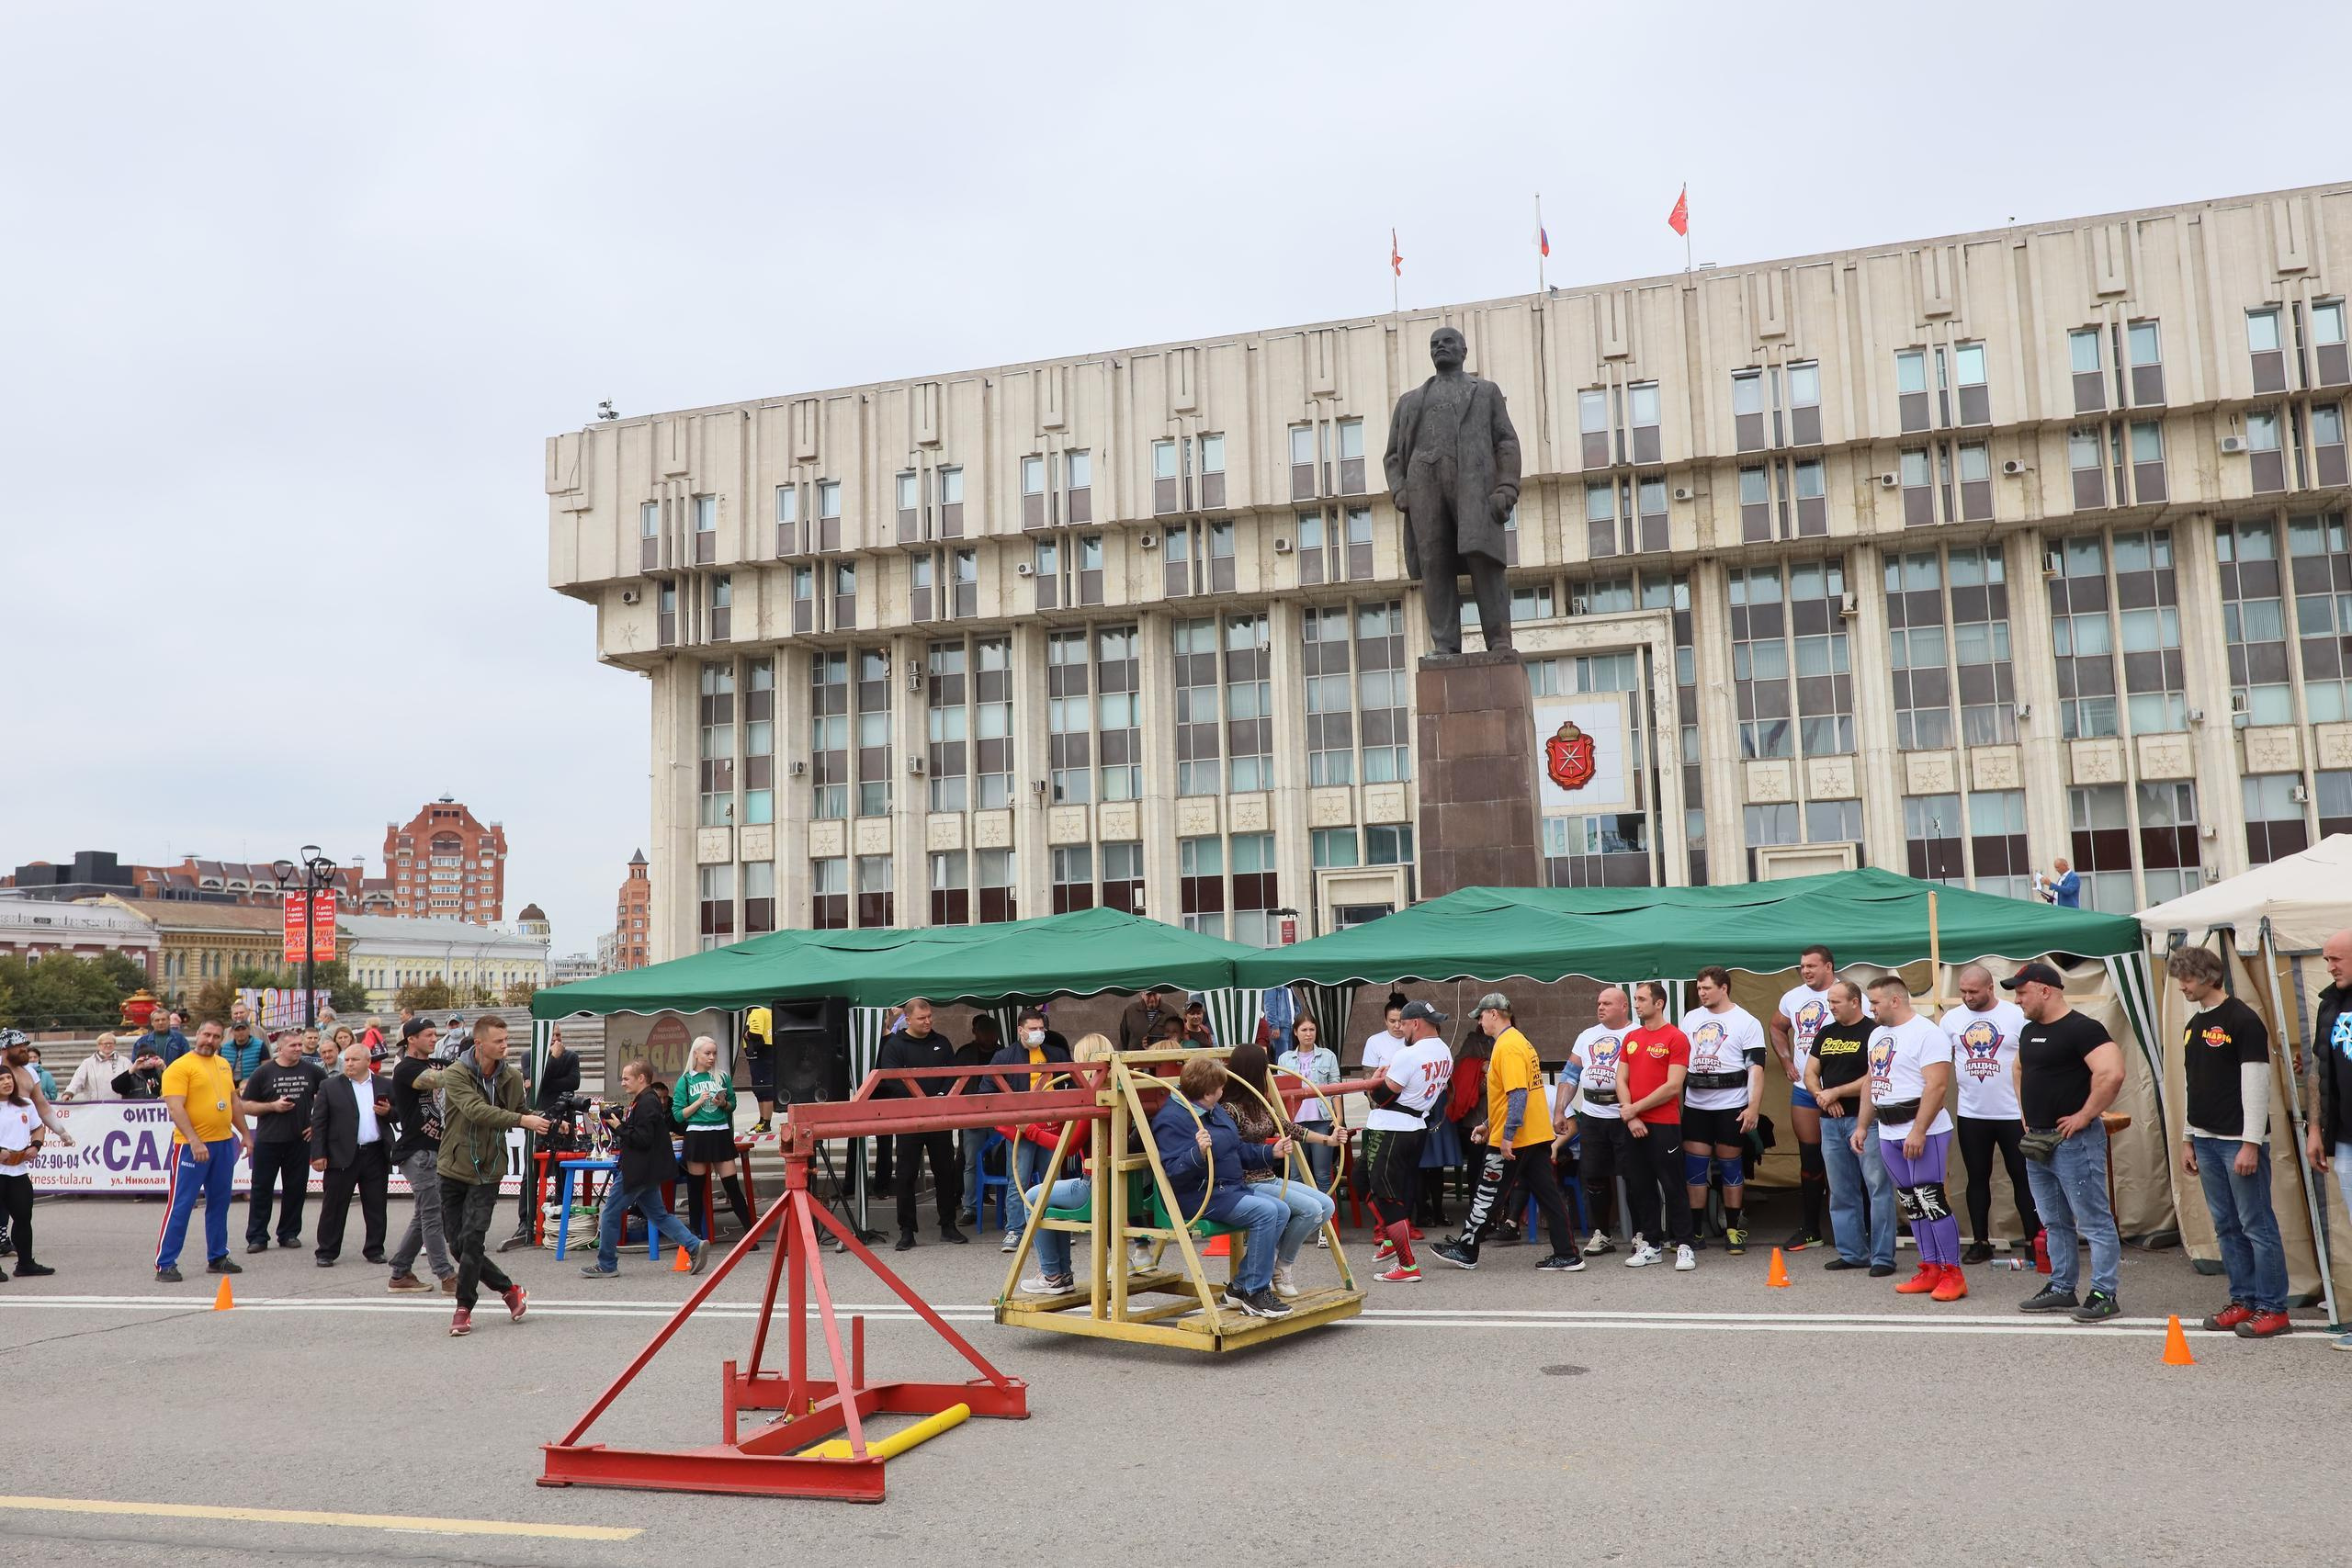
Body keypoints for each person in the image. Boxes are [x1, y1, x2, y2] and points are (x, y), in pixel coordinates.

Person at [2168, 946, 2290, 1338]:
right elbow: (2194, 1087)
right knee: (2226, 1227)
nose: (2182, 985)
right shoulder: (2193, 1024)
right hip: (2205, 1140)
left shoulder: (2243, 1019)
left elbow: (2257, 1085)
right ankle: (2244, 1301)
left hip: (2237, 1140)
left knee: (2257, 1224)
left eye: (2186, 978)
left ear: (2208, 976)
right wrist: (2188, 1137)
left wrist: (2251, 1142)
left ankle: (2274, 1308)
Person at [2006, 962, 2125, 1323]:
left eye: (2022, 992)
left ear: (2046, 990)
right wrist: (2025, 1113)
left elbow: (2113, 1072)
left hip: (2074, 1141)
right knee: (2054, 1220)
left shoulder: (2083, 1029)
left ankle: (2105, 1294)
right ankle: (2061, 1287)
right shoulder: (2029, 1032)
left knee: (2094, 1220)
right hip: (2038, 1140)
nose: (2017, 1000)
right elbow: (2019, 1069)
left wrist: (2086, 1115)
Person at [1434, 994, 1583, 1274]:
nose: (1479, 1022)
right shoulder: (1518, 1041)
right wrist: (1490, 1124)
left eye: (1481, 1016)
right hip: (1533, 1134)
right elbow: (1508, 1095)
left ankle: (1467, 1249)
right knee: (1548, 1195)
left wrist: (1506, 1135)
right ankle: (1567, 1254)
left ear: (1494, 1013)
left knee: (1486, 1192)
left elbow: (1517, 1095)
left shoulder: (1508, 1046)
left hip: (1517, 1136)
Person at [424, 1014, 546, 1336]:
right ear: (480, 1043)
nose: (505, 1046)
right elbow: (476, 1111)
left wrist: (547, 1121)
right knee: (459, 1246)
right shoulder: (456, 1073)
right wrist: (522, 1121)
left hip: (489, 1170)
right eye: (499, 1041)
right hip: (453, 1167)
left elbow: (521, 1110)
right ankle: (509, 1289)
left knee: (473, 1240)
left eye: (506, 1040)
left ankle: (463, 1308)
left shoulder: (512, 1077)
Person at [1148, 1055, 1293, 1319]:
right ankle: (1255, 1293)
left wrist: (1271, 1153)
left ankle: (1241, 1286)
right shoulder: (1172, 1120)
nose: (1223, 1091)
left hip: (1228, 1189)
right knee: (1267, 1212)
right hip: (1200, 1196)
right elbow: (1173, 1172)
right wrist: (1198, 1153)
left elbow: (1237, 1149)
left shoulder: (1214, 1110)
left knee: (1281, 1210)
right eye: (1220, 1088)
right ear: (1208, 1093)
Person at [1857, 976, 1964, 1301]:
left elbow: (1937, 1086)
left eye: (1874, 1002)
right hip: (1887, 1128)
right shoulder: (1876, 1034)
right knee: (1911, 1202)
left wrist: (1918, 1130)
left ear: (1894, 1000)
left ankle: (1952, 1272)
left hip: (1922, 1128)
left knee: (1931, 1199)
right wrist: (1863, 1125)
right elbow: (1871, 1081)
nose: (1870, 1008)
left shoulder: (1927, 1033)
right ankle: (1930, 1267)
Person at [1219, 1041, 1340, 1297]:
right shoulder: (1229, 1109)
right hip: (1246, 1182)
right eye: (1265, 1068)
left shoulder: (1259, 1102)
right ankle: (1279, 1267)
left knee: (1326, 1205)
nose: (1269, 1074)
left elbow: (1287, 1126)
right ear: (1253, 1071)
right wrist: (1269, 1152)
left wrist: (1327, 1139)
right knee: (1309, 1209)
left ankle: (1279, 1264)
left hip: (1269, 1178)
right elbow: (1229, 1153)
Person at [1941, 964, 2040, 1264]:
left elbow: (2032, 1062)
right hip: (1973, 1113)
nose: (1967, 997)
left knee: (2024, 1178)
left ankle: (2034, 1240)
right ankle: (1980, 1241)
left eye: (1973, 991)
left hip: (2013, 1113)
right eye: (1962, 991)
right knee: (1977, 1178)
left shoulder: (2015, 1016)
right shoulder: (1951, 1020)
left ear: (1990, 988)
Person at [581, 1059, 709, 1280]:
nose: (622, 1083)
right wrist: (622, 1124)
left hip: (638, 1170)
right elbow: (642, 1133)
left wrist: (619, 1128)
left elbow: (643, 1139)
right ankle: (694, 1245)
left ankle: (607, 1264)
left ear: (641, 1078)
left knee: (610, 1213)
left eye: (626, 1078)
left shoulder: (647, 1102)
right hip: (646, 1170)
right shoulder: (645, 1100)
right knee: (658, 1215)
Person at [1773, 946, 1865, 1252]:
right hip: (1807, 1088)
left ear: (1829, 966)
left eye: (1812, 966)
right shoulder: (1792, 997)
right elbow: (1776, 1026)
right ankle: (1810, 1228)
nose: (1806, 971)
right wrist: (1786, 1060)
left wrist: (1834, 1092)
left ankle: (1860, 1230)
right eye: (1802, 966)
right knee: (1811, 1159)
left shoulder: (1849, 995)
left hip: (1845, 1090)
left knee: (1855, 1160)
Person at [1354, 1000, 1454, 1282]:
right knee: (1360, 1179)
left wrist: (1375, 1080)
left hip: (1394, 1128)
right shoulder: (1445, 1052)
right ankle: (1389, 1237)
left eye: (1404, 1024)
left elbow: (1383, 1097)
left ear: (1415, 1023)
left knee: (1388, 1196)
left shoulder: (1408, 1054)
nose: (1400, 1029)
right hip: (1412, 1126)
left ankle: (1407, 1264)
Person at [1807, 981, 1895, 1277]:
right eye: (1829, 1002)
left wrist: (1837, 1092)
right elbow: (1810, 1072)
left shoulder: (1873, 1032)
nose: (1830, 1007)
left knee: (1877, 1187)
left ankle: (1882, 1256)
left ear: (1855, 1002)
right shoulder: (1826, 1033)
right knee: (1841, 1190)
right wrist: (1822, 1095)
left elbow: (1873, 1076)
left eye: (1835, 1001)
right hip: (1830, 1122)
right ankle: (1852, 1252)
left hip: (1865, 1120)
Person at [153, 1020, 251, 1283]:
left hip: (222, 1144)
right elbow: (175, 1108)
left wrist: (246, 1134)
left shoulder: (222, 1064)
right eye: (206, 1034)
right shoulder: (180, 1067)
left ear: (222, 1040)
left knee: (220, 1203)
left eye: (216, 1036)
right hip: (190, 1146)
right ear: (197, 1035)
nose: (210, 1040)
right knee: (182, 1204)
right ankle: (166, 1263)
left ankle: (217, 1256)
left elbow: (233, 1102)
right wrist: (194, 1140)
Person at [1678, 966, 1767, 1255]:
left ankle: (1733, 1228)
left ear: (1724, 988)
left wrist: (1753, 1108)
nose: (1701, 993)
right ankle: (1695, 1230)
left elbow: (1756, 1068)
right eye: (1699, 988)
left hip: (1731, 1104)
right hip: (1696, 1105)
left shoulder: (1746, 1021)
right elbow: (1679, 1063)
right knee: (1694, 1169)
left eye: (1707, 988)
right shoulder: (1691, 1018)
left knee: (1730, 1167)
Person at [1017, 1034, 1115, 1294]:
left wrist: (1031, 1132)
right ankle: (1061, 1274)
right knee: (1052, 1201)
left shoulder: (1092, 1097)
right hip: (1117, 1183)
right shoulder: (1119, 1091)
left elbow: (1069, 1147)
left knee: (1033, 1197)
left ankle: (1052, 1274)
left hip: (1093, 1185)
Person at [875, 998, 965, 1251]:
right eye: (922, 1018)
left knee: (945, 1171)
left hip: (939, 1118)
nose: (928, 1021)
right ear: (908, 1019)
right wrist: (918, 1099)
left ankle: (948, 1224)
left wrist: (942, 1097)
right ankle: (906, 1230)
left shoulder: (942, 1042)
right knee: (905, 1175)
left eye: (929, 1017)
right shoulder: (894, 1045)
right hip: (908, 1119)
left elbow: (953, 1073)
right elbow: (891, 1080)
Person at [1617, 981, 1694, 1269]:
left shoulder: (1675, 1038)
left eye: (1640, 999)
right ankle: (1651, 1244)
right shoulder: (1631, 1038)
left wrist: (1634, 1109)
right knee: (1640, 1186)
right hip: (1633, 1123)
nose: (1636, 1004)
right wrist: (1632, 1116)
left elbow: (1673, 1086)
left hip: (1664, 1124)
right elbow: (1620, 1080)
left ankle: (1684, 1244)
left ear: (1658, 1003)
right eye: (1634, 999)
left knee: (1672, 1185)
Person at [385, 1017, 457, 1294]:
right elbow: (437, 1080)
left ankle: (400, 1273)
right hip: (416, 1152)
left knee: (425, 1213)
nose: (433, 1038)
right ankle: (446, 1275)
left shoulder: (436, 1062)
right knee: (432, 1214)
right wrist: (469, 1066)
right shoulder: (405, 1068)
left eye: (435, 1034)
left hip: (435, 1149)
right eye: (428, 1034)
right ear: (411, 1039)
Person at [988, 1010, 1069, 1253]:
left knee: (1052, 1179)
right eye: (1033, 1029)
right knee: (1018, 1180)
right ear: (1020, 1030)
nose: (1038, 1033)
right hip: (1020, 1129)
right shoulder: (1004, 1057)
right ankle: (1015, 1229)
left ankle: (1054, 1225)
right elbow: (987, 1089)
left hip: (1050, 1126)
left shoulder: (1055, 1053)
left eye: (1041, 1029)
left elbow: (1073, 1082)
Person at [2306, 929, 2352, 1350]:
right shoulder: (2330, 1003)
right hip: (2346, 1139)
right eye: (2326, 959)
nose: (2330, 966)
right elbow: (2320, 1070)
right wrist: (2315, 1128)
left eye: (2337, 958)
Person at [242, 1030, 326, 1254]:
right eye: (293, 1046)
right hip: (269, 1140)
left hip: (299, 1140)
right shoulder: (263, 1072)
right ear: (280, 1048)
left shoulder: (312, 1071)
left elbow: (328, 1099)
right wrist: (272, 1106)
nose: (298, 1049)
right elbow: (245, 1105)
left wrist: (316, 1124)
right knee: (261, 1189)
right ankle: (257, 1236)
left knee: (296, 1188)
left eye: (300, 1045)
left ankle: (289, 1233)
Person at [310, 1042, 393, 1266]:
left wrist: (390, 1112)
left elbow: (399, 1114)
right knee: (334, 1206)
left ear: (368, 1061)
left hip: (375, 1153)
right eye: (346, 1059)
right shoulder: (330, 1086)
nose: (349, 1064)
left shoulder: (384, 1084)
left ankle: (375, 1249)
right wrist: (318, 1154)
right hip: (342, 1154)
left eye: (355, 1060)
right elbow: (319, 1123)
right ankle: (326, 1251)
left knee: (376, 1205)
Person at [1564, 987, 1634, 1256]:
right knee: (1593, 1175)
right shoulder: (1587, 1036)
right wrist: (1561, 1110)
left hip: (1625, 1114)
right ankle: (1602, 1233)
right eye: (1598, 1003)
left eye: (1607, 1003)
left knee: (1633, 1176)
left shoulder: (1635, 1034)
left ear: (1624, 1006)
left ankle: (1642, 1234)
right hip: (1593, 1114)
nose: (1600, 1007)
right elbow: (1571, 1073)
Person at [503, 1025, 582, 1252]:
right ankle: (525, 1221)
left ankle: (559, 1213)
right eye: (552, 1036)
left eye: (559, 1036)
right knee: (532, 1171)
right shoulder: (530, 1056)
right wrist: (552, 1059)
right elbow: (535, 1083)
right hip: (537, 1116)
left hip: (564, 1118)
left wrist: (547, 1078)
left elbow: (572, 1083)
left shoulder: (571, 1056)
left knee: (562, 1168)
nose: (556, 1040)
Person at [675, 1035, 758, 1246]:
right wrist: (699, 1102)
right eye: (707, 1053)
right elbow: (677, 1115)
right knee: (696, 1188)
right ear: (696, 1054)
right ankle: (694, 1238)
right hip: (696, 1135)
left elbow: (733, 1104)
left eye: (714, 1053)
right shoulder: (685, 1080)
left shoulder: (721, 1077)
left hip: (720, 1133)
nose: (712, 1057)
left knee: (732, 1186)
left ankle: (750, 1235)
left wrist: (722, 1104)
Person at [1275, 1017, 1342, 1193]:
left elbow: (1336, 1089)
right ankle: (1305, 1217)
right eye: (1304, 1030)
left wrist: (1339, 1118)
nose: (1308, 1034)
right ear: (1295, 1032)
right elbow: (1279, 1093)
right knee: (1296, 1175)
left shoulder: (1328, 1056)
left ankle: (1328, 1219)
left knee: (1322, 1174)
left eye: (1312, 1029)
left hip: (1321, 1120)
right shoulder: (1285, 1059)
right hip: (1294, 1121)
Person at [0, 1061, 51, 1279]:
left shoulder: (26, 1104)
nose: (6, 1082)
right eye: (1, 1080)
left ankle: (25, 1263)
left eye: (9, 1078)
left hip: (18, 1170)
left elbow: (38, 1127)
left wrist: (35, 1146)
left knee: (23, 1217)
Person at [956, 1015, 1004, 1230]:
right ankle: (970, 1207)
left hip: (999, 1116)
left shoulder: (1004, 1055)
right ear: (975, 1032)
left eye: (991, 1031)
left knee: (1003, 1162)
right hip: (972, 1115)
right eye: (984, 1031)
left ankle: (1005, 1206)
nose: (988, 1036)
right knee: (971, 1162)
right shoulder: (964, 1054)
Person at [61, 1032, 130, 1100]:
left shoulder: (124, 1061)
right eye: (105, 1043)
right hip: (94, 1106)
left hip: (119, 1105)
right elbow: (77, 1080)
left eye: (111, 1043)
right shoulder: (88, 1063)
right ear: (99, 1045)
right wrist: (69, 1093)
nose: (108, 1045)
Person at [1117, 988, 1175, 1052]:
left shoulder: (1170, 1012)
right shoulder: (1130, 1011)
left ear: (1160, 994)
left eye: (1154, 994)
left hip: (1162, 1058)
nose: (1152, 999)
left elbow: (1176, 1038)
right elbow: (1123, 1039)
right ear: (1142, 994)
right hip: (1135, 1059)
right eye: (1149, 995)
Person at [222, 1017, 266, 1083]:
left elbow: (266, 1069)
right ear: (232, 1032)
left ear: (249, 1030)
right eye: (237, 1030)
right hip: (230, 1085)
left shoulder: (260, 1046)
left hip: (251, 1084)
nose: (240, 1032)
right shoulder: (224, 1048)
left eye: (243, 1029)